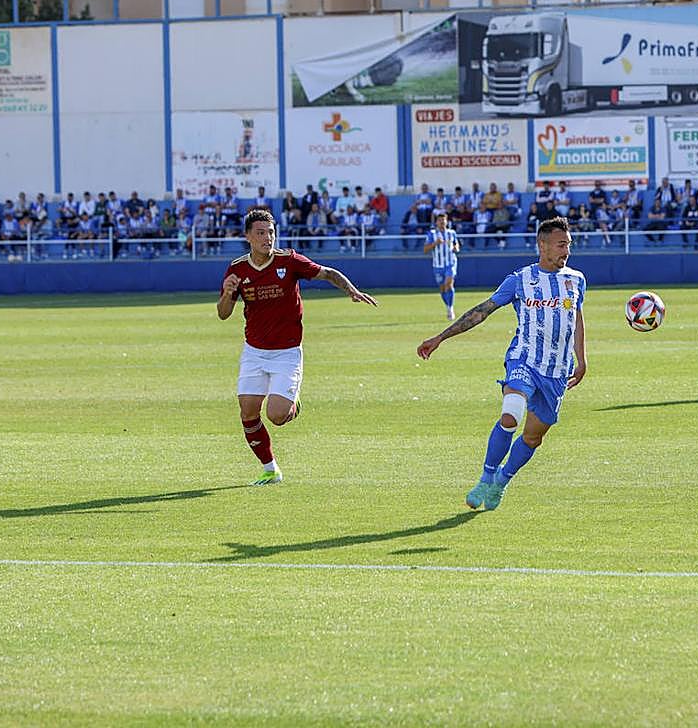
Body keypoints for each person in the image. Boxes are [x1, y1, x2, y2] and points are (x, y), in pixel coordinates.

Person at [417, 217, 586, 511]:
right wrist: (441, 337)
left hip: (557, 371)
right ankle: (486, 477)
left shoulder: (576, 280)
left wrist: (581, 359)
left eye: (568, 245)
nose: (566, 251)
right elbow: (482, 311)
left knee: (533, 437)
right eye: (561, 245)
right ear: (542, 245)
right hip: (523, 359)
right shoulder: (520, 280)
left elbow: (576, 319)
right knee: (511, 413)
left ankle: (502, 481)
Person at [219, 209, 377, 485]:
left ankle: (292, 405)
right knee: (248, 411)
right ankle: (270, 469)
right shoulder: (237, 269)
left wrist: (350, 289)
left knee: (277, 416)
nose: (267, 238)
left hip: (287, 352)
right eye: (260, 233)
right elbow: (223, 313)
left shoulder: (288, 261)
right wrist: (227, 293)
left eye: (271, 232)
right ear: (247, 237)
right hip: (254, 351)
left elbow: (327, 273)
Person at [424, 212, 460, 320]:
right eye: (440, 220)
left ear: (447, 221)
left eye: (444, 220)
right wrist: (435, 243)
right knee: (443, 288)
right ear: (436, 222)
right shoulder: (432, 234)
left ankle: (451, 308)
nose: (442, 222)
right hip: (438, 265)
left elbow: (456, 244)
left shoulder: (451, 233)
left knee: (449, 284)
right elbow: (425, 249)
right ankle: (448, 306)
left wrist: (456, 248)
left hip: (450, 263)